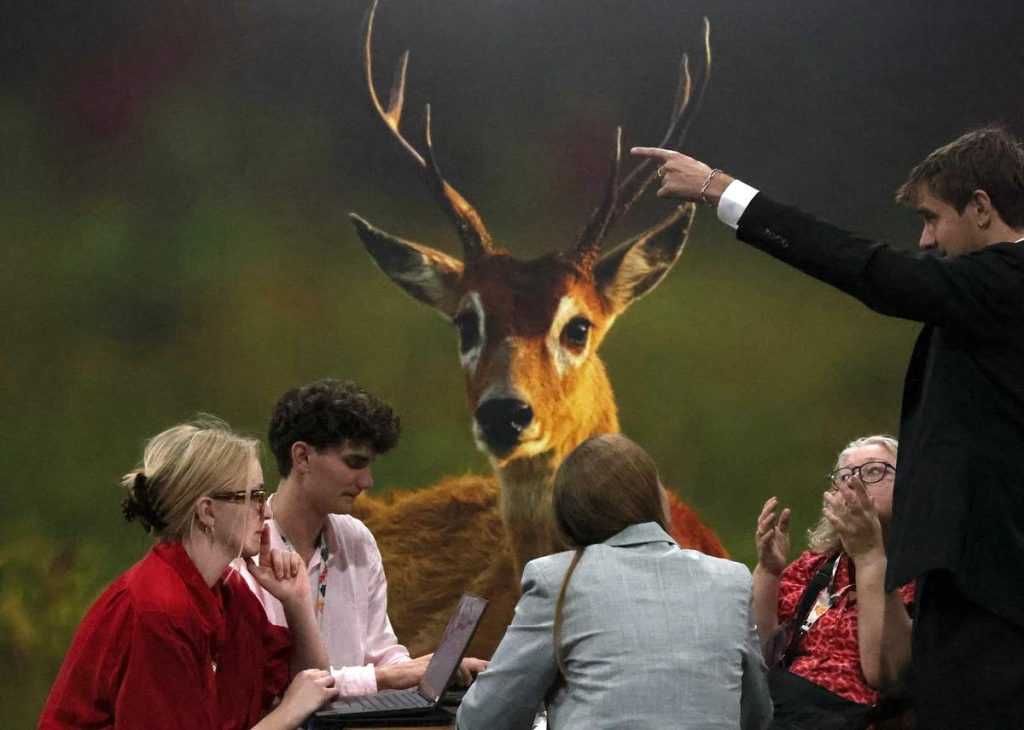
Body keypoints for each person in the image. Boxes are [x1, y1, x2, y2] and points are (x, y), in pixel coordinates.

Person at [632, 127, 1024, 727]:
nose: (923, 241)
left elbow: (870, 271)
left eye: (931, 218)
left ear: (980, 207)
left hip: (992, 591)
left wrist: (719, 190)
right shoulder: (984, 298)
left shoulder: (1005, 281)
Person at [456, 433, 772, 730]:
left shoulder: (555, 579)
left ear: (567, 515)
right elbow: (758, 714)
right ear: (655, 502)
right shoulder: (731, 579)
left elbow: (483, 720)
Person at [39, 418, 338, 730]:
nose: (267, 512)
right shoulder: (159, 609)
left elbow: (313, 684)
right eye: (254, 496)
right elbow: (298, 701)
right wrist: (288, 712)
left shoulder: (229, 592)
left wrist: (297, 602)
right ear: (207, 511)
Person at [243, 378, 486, 697]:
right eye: (354, 463)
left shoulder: (357, 539)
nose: (368, 480)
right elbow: (270, 685)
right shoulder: (246, 550)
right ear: (302, 457)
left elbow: (381, 653)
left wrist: (428, 669)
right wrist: (389, 676)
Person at [754, 436, 912, 729]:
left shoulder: (921, 574)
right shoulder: (816, 568)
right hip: (785, 712)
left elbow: (886, 675)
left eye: (875, 471)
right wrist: (768, 572)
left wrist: (868, 555)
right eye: (845, 477)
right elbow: (760, 657)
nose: (856, 484)